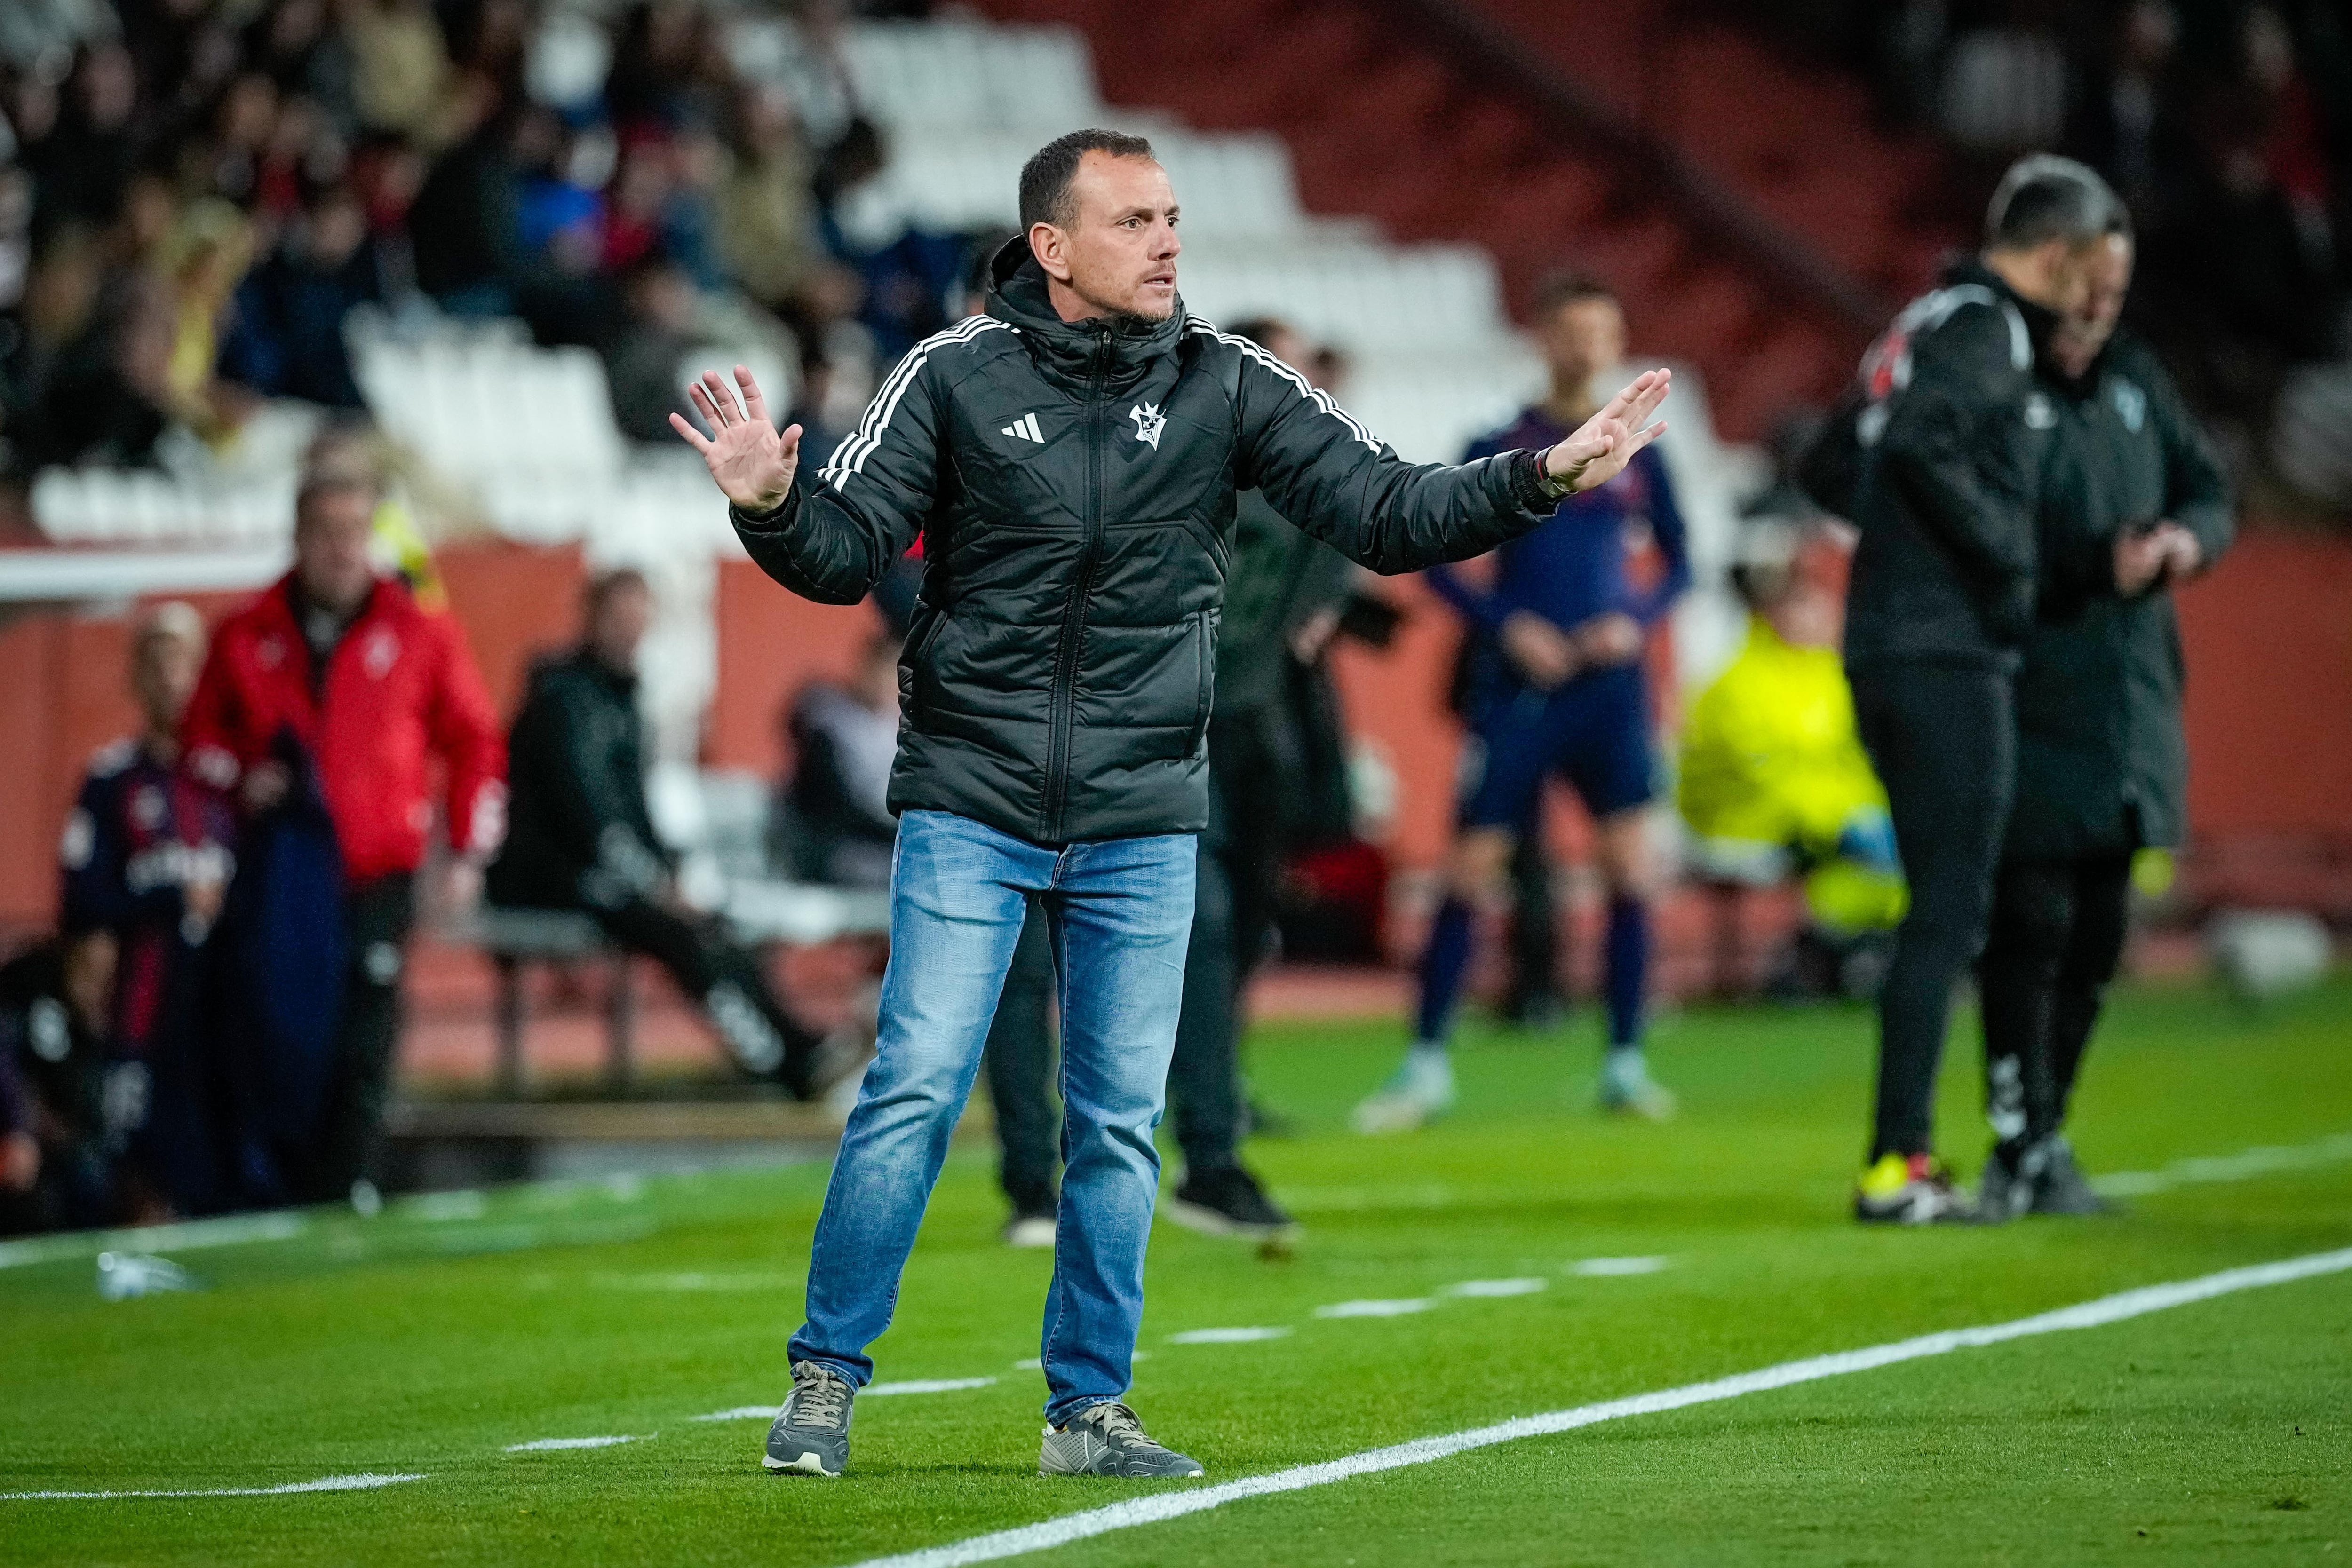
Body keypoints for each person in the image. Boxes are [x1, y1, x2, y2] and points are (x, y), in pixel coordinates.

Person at [669, 127, 1670, 1481]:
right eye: (1135, 221)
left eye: (1173, 217)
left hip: (1145, 812)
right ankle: (823, 1384)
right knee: (909, 1088)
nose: (1168, 243)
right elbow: (847, 554)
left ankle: (1087, 1410)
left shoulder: (1227, 379)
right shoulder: (951, 376)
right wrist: (776, 506)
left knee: (1121, 1124)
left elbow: (1386, 509)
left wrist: (1541, 476)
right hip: (972, 796)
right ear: (1054, 246)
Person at [1814, 154, 2129, 1224]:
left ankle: (1901, 1158)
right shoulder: (1989, 329)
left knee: (1943, 903)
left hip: (1890, 639)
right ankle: (1894, 1165)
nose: (2093, 298)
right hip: (1944, 653)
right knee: (1949, 907)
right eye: (2090, 273)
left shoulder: (1919, 320)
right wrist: (2007, 560)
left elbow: (1830, 460)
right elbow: (1917, 447)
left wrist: (1907, 552)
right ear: (2056, 251)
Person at [1355, 273, 1688, 1134]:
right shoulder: (1502, 441)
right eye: (1573, 331)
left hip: (1609, 687)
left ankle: (1624, 1059)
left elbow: (1680, 565)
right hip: (1520, 687)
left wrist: (1635, 619)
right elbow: (1435, 553)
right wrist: (1510, 627)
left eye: (1603, 332)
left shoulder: (1643, 451)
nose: (1588, 348)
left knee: (1628, 866)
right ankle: (1425, 1061)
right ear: (1544, 337)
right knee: (1471, 868)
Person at [1976, 220, 2231, 1219]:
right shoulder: (2000, 383)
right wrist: (2090, 563)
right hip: (2034, 691)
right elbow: (1976, 527)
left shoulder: (2137, 382)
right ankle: (2016, 1139)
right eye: (2083, 280)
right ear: (2048, 274)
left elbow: (2212, 491)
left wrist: (2182, 542)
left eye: (2114, 284)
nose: (2097, 301)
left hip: (2132, 700)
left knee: (2096, 934)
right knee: (2029, 919)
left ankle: (2046, 1132)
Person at [184, 474, 505, 1207]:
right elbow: (200, 746)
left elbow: (475, 741)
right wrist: (243, 778)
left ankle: (347, 1186)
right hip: (277, 877)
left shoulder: (419, 630)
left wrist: (467, 846)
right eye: (326, 531)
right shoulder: (247, 633)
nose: (340, 548)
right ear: (297, 537)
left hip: (373, 872)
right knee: (279, 1037)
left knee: (367, 1028)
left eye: (354, 530)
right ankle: (280, 1185)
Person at [1163, 315, 1353, 1241]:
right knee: (1197, 925)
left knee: (1240, 926)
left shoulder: (1301, 475)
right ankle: (1208, 1145)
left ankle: (1207, 1094)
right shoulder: (1168, 465)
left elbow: (1355, 540)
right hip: (1164, 731)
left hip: (1255, 728)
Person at [491, 569, 824, 1092]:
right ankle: (784, 1065)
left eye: (638, 621)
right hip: (551, 877)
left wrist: (668, 871)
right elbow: (585, 819)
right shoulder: (565, 702)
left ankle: (800, 1045)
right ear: (591, 618)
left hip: (601, 872)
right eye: (619, 619)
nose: (629, 632)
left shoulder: (620, 699)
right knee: (683, 936)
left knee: (719, 925)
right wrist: (656, 884)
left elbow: (632, 813)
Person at [57, 603, 239, 1217]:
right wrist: (165, 899)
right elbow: (80, 901)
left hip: (220, 1016)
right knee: (131, 1169)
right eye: (156, 663)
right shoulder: (112, 782)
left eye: (184, 662)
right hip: (139, 1010)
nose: (170, 678)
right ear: (136, 677)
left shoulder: (231, 781)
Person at [1677, 523, 1906, 999]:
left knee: (1897, 843)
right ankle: (1823, 952)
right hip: (1746, 819)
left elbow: (1849, 759)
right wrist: (1837, 819)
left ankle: (1848, 952)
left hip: (1817, 815)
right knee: (1854, 851)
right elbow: (1755, 775)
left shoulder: (1826, 674)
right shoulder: (1734, 684)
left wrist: (1867, 811)